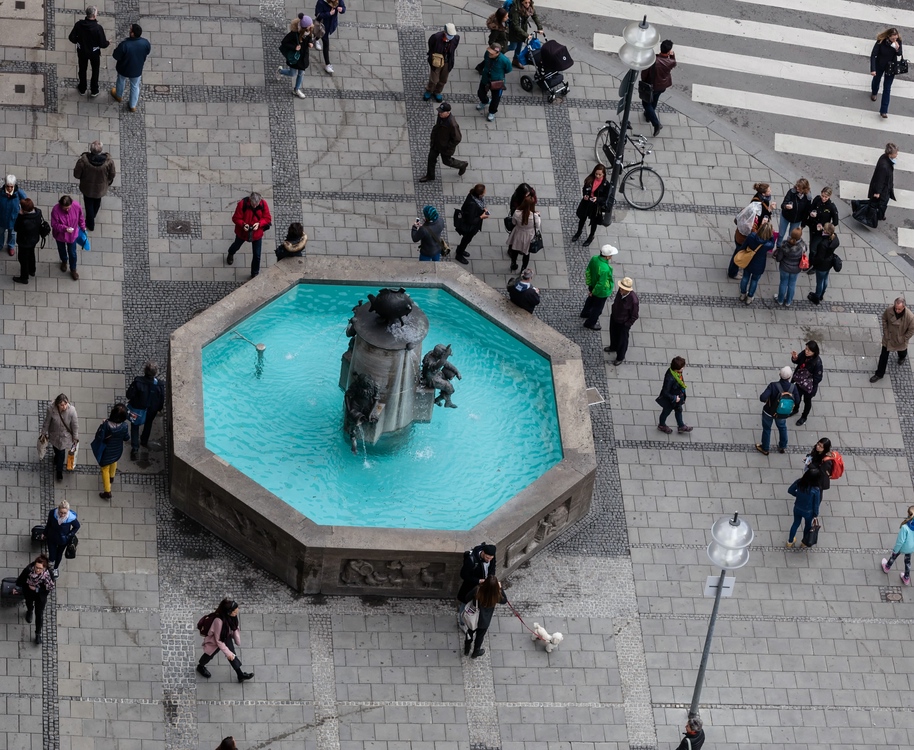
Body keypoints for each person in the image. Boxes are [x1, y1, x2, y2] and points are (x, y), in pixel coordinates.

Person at [196, 598, 254, 682]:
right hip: (216, 642)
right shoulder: (218, 621)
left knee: (232, 655)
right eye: (235, 612)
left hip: (226, 636)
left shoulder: (231, 616)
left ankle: (240, 675)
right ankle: (200, 666)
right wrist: (227, 652)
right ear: (228, 612)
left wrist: (229, 652)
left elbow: (233, 627)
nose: (236, 613)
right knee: (208, 655)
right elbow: (218, 640)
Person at [12, 555, 55, 645]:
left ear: (44, 568)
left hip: (40, 596)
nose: (37, 570)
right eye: (36, 567)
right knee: (29, 603)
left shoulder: (48, 574)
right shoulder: (29, 570)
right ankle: (30, 611)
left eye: (40, 568)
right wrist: (17, 588)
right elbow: (21, 579)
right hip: (29, 592)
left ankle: (38, 634)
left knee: (39, 614)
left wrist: (37, 589)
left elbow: (50, 587)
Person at [73, 140, 116, 232]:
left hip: (87, 187)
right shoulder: (108, 162)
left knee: (88, 204)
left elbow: (77, 175)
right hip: (101, 188)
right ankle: (93, 215)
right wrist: (107, 181)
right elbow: (112, 174)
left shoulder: (83, 161)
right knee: (97, 201)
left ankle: (90, 224)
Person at [418, 103, 467, 183]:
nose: (439, 113)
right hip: (436, 143)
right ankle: (430, 175)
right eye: (439, 111)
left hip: (445, 147)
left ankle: (462, 165)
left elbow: (457, 139)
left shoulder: (452, 124)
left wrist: (447, 146)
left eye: (442, 112)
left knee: (447, 162)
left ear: (448, 112)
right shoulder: (441, 116)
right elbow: (437, 127)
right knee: (431, 158)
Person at [756, 366, 799, 456]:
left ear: (779, 374)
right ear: (790, 377)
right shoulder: (793, 388)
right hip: (782, 413)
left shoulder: (773, 385)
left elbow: (762, 398)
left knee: (767, 429)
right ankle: (782, 446)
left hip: (768, 412)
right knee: (782, 427)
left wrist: (767, 400)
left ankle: (765, 449)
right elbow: (797, 401)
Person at [226, 192, 272, 276]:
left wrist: (259, 224)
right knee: (236, 245)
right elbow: (235, 218)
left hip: (257, 233)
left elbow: (267, 218)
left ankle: (254, 273)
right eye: (253, 204)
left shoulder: (263, 204)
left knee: (257, 255)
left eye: (256, 204)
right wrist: (243, 224)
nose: (255, 206)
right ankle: (230, 253)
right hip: (243, 232)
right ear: (250, 200)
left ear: (260, 201)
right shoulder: (242, 204)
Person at [127, 361, 165, 460]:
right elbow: (161, 399)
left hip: (137, 409)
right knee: (148, 424)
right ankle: (144, 441)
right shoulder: (160, 385)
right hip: (151, 410)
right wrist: (159, 409)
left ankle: (135, 448)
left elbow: (129, 395)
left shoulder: (138, 382)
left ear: (145, 371)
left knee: (134, 426)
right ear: (156, 373)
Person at [68, 6, 109, 97]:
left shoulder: (79, 25)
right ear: (94, 16)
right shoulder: (98, 28)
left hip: (82, 51)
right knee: (95, 70)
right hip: (94, 53)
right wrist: (108, 43)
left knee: (82, 69)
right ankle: (94, 90)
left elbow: (71, 37)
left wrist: (78, 41)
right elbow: (102, 44)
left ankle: (82, 88)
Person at [870, 297, 914, 382]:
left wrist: (903, 339)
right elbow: (884, 319)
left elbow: (911, 330)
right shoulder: (889, 310)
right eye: (896, 308)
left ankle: (902, 357)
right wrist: (886, 332)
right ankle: (879, 374)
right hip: (889, 338)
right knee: (883, 356)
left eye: (899, 309)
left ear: (904, 307)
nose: (897, 310)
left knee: (902, 351)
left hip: (900, 339)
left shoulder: (910, 317)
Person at [110, 24, 152, 112]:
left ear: (132, 34)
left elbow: (116, 56)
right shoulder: (145, 43)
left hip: (124, 68)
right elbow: (147, 52)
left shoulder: (125, 44)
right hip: (137, 69)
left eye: (130, 30)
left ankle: (118, 95)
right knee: (135, 86)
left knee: (121, 80)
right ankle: (132, 105)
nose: (129, 31)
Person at [462, 575, 506, 659]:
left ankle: (467, 648)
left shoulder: (477, 590)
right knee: (480, 636)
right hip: (484, 621)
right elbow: (505, 601)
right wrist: (500, 589)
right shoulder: (497, 595)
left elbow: (466, 597)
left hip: (473, 618)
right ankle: (476, 652)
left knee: (470, 632)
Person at [93, 403, 130, 500]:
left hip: (106, 451)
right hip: (117, 450)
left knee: (105, 469)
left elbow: (99, 436)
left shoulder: (106, 425)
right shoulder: (124, 426)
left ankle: (107, 491)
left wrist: (102, 425)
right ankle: (112, 476)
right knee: (114, 461)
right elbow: (126, 438)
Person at [639, 39, 675, 137]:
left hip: (651, 86)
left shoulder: (653, 60)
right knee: (654, 100)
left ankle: (656, 123)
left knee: (646, 103)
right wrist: (671, 55)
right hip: (662, 86)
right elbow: (673, 62)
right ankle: (648, 116)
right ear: (669, 51)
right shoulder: (670, 61)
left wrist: (644, 81)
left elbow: (644, 74)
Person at [42, 393, 79, 482]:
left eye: (65, 404)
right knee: (56, 449)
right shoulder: (51, 409)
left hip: (65, 437)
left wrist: (75, 436)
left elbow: (75, 425)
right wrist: (43, 433)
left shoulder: (72, 410)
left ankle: (59, 471)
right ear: (57, 404)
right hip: (54, 435)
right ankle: (56, 457)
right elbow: (47, 422)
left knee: (61, 453)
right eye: (61, 405)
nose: (64, 406)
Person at [579, 244, 617, 330]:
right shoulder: (605, 269)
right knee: (597, 309)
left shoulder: (594, 258)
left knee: (590, 300)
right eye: (611, 255)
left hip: (592, 285)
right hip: (601, 292)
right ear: (607, 257)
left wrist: (590, 286)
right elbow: (601, 284)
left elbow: (588, 271)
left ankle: (585, 312)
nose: (611, 256)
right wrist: (594, 293)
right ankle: (590, 323)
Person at [737, 222, 775, 304]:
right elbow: (773, 243)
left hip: (748, 261)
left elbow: (743, 246)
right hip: (759, 265)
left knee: (745, 277)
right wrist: (771, 235)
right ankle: (749, 297)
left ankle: (743, 294)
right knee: (754, 280)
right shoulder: (768, 244)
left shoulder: (752, 236)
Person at [572, 164, 609, 247]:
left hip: (596, 206)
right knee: (582, 218)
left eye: (600, 174)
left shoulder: (606, 184)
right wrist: (585, 195)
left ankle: (591, 236)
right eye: (596, 174)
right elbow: (584, 189)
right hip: (587, 202)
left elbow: (606, 197)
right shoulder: (590, 179)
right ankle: (579, 232)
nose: (598, 176)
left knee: (594, 222)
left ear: (603, 174)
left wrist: (597, 199)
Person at [604, 277, 639, 366]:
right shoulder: (620, 293)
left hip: (623, 323)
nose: (620, 290)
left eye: (623, 289)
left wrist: (626, 325)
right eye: (620, 288)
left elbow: (634, 316)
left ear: (627, 290)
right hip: (615, 317)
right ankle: (613, 347)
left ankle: (620, 357)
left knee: (622, 341)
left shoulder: (633, 301)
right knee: (613, 333)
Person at [50, 195, 85, 281]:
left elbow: (81, 217)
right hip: (60, 235)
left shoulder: (76, 206)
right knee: (61, 249)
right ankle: (64, 261)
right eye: (65, 208)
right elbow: (54, 224)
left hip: (72, 236)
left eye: (68, 208)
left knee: (72, 253)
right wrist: (65, 229)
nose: (67, 210)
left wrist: (83, 227)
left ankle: (73, 269)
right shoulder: (55, 210)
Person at [278, 14, 314, 98]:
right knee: (292, 73)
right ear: (304, 27)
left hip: (303, 56)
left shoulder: (309, 30)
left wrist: (310, 43)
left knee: (301, 73)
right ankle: (280, 71)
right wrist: (294, 47)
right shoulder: (294, 34)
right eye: (309, 26)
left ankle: (296, 89)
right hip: (295, 57)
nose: (311, 27)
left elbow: (309, 37)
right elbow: (284, 42)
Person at [871, 28, 903, 118]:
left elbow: (900, 54)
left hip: (891, 67)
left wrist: (897, 49)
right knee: (876, 80)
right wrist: (873, 69)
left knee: (887, 88)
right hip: (880, 65)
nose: (895, 40)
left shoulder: (898, 42)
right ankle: (874, 92)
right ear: (888, 36)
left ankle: (884, 110)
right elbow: (873, 55)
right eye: (893, 39)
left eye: (896, 38)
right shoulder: (881, 41)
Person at [476, 43, 512, 123]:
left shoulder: (504, 60)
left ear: (497, 53)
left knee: (495, 99)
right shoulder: (487, 54)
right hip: (485, 78)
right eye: (489, 51)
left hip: (497, 82)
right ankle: (485, 101)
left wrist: (498, 75)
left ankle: (492, 112)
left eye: (492, 53)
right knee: (480, 93)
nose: (489, 54)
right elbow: (485, 61)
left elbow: (508, 69)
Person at [43, 500, 81, 578]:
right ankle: (50, 562)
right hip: (52, 537)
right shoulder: (52, 513)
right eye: (61, 512)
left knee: (59, 554)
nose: (62, 515)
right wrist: (44, 533)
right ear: (58, 510)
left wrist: (69, 535)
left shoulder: (71, 518)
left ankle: (55, 568)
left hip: (63, 539)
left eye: (64, 513)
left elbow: (77, 526)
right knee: (52, 555)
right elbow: (48, 524)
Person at [786, 467, 822, 548]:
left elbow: (790, 490)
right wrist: (816, 514)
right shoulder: (816, 490)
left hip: (797, 507)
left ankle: (790, 541)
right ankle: (804, 543)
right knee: (807, 526)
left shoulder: (799, 482)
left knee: (795, 524)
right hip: (808, 511)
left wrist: (797, 495)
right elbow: (816, 504)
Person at [789, 341, 823, 426]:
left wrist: (807, 381)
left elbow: (818, 378)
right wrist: (795, 358)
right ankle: (795, 409)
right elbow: (797, 361)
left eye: (809, 351)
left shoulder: (817, 363)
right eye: (806, 349)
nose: (806, 351)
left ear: (814, 352)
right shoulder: (804, 354)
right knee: (797, 397)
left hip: (809, 387)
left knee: (807, 402)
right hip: (799, 382)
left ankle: (804, 417)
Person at [424, 23, 459, 103]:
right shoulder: (436, 37)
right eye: (449, 35)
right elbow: (431, 46)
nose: (451, 37)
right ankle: (429, 90)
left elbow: (453, 48)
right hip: (437, 60)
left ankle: (437, 92)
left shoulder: (456, 38)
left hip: (447, 61)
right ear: (445, 32)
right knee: (434, 79)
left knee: (443, 79)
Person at [655, 356, 692, 434]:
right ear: (677, 368)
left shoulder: (677, 373)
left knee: (679, 410)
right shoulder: (670, 378)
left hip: (678, 397)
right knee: (666, 412)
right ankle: (661, 425)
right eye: (682, 367)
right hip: (671, 400)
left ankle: (681, 426)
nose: (683, 368)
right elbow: (665, 392)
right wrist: (675, 398)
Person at [728, 215, 771, 280]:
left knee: (736, 254)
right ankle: (732, 273)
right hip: (741, 241)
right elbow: (757, 237)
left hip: (738, 238)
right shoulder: (751, 225)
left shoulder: (745, 215)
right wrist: (763, 226)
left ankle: (733, 271)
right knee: (738, 256)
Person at [454, 184, 489, 264]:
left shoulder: (473, 196)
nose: (485, 192)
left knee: (466, 240)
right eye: (484, 191)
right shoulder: (472, 205)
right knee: (466, 240)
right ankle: (459, 254)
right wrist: (481, 217)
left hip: (472, 225)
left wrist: (483, 209)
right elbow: (470, 220)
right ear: (480, 194)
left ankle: (460, 249)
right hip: (470, 227)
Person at [12, 198, 44, 284]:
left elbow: (16, 228)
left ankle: (24, 277)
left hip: (24, 242)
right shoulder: (38, 213)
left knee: (23, 259)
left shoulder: (24, 220)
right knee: (31, 254)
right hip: (34, 239)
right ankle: (32, 270)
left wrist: (20, 216)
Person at [507, 195, 541, 273]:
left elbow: (513, 222)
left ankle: (513, 264)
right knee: (526, 253)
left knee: (515, 249)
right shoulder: (535, 216)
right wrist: (538, 215)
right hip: (529, 235)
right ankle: (523, 268)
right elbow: (538, 226)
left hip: (518, 233)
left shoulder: (517, 212)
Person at [773, 228, 806, 308]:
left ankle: (780, 300)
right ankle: (788, 301)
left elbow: (779, 258)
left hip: (784, 268)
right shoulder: (802, 246)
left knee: (783, 283)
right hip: (796, 269)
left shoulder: (784, 245)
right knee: (792, 284)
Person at [882, 506, 914, 585]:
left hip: (903, 547)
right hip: (911, 548)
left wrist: (895, 550)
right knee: (907, 561)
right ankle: (906, 578)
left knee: (894, 556)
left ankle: (887, 567)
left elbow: (900, 541)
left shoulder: (905, 527)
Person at [457, 543, 496, 608]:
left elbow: (493, 567)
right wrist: (478, 580)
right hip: (471, 585)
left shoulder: (491, 556)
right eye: (487, 557)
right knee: (466, 602)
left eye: (491, 558)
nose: (488, 560)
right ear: (483, 552)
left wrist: (491, 576)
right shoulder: (471, 560)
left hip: (483, 585)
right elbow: (463, 575)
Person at [808, 223, 839, 305]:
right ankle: (821, 294)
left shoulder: (823, 244)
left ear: (826, 231)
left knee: (819, 282)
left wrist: (813, 261)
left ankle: (816, 297)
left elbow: (820, 258)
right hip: (829, 263)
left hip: (822, 265)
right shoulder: (835, 238)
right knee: (825, 279)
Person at [804, 186, 838, 260]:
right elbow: (810, 209)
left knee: (814, 247)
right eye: (822, 196)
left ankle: (813, 263)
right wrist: (811, 213)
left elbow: (835, 222)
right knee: (811, 244)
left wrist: (825, 227)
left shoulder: (831, 206)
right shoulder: (817, 199)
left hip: (821, 231)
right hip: (813, 226)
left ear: (829, 196)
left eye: (826, 197)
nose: (823, 198)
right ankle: (811, 261)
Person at [867, 143, 897, 226]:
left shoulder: (884, 157)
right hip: (884, 189)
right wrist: (877, 192)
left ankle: (878, 214)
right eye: (896, 153)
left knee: (878, 203)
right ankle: (879, 216)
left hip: (885, 186)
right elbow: (880, 180)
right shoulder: (884, 166)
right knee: (882, 203)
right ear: (890, 154)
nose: (897, 154)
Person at [733, 182, 772, 247]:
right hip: (742, 242)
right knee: (739, 254)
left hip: (740, 240)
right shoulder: (750, 225)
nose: (770, 191)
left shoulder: (746, 215)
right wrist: (763, 223)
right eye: (768, 190)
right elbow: (756, 235)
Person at [507, 0, 544, 69]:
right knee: (513, 47)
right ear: (521, 2)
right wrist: (526, 35)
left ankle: (515, 61)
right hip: (514, 31)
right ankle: (498, 52)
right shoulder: (515, 9)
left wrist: (540, 28)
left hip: (523, 28)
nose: (527, 4)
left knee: (519, 47)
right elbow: (515, 25)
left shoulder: (530, 7)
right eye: (525, 3)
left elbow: (535, 16)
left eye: (529, 2)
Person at [778, 178, 811, 249]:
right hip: (785, 216)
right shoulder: (792, 192)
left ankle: (787, 249)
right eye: (797, 187)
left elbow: (806, 213)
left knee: (792, 236)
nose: (797, 189)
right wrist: (786, 206)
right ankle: (778, 247)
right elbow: (783, 204)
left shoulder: (807, 198)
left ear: (804, 189)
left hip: (796, 220)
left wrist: (803, 225)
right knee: (781, 234)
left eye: (800, 188)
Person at [314, 0, 345, 74]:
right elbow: (318, 15)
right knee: (326, 43)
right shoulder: (321, 2)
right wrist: (329, 13)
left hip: (331, 24)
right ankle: (327, 64)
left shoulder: (338, 1)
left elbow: (343, 7)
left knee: (319, 35)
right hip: (323, 26)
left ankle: (316, 38)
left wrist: (342, 10)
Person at [1, 175, 27, 257]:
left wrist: (23, 210)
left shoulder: (19, 193)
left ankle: (11, 246)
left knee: (12, 233)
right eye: (7, 186)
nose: (9, 189)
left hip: (13, 218)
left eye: (11, 186)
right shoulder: (1, 192)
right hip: (1, 217)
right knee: (0, 232)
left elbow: (26, 203)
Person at [477, 8, 509, 72]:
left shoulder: (503, 23)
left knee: (491, 59)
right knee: (491, 59)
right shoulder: (496, 30)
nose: (507, 18)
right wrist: (497, 50)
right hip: (499, 48)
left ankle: (480, 67)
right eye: (505, 17)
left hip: (502, 45)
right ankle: (481, 67)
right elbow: (491, 41)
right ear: (501, 18)